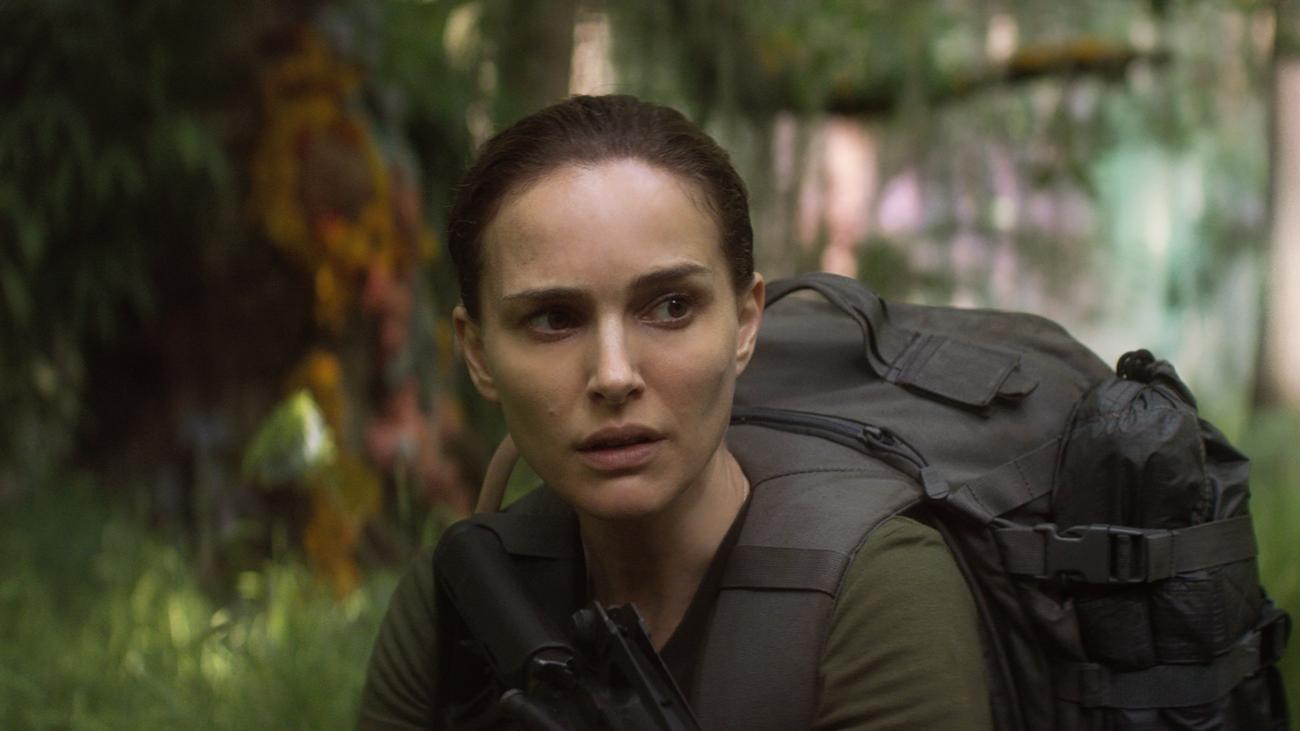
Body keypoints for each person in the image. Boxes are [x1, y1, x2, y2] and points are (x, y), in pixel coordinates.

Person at [357, 95, 992, 730]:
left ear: (745, 323)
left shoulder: (873, 591)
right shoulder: (459, 600)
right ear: (478, 354)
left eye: (670, 308)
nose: (613, 376)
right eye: (553, 319)